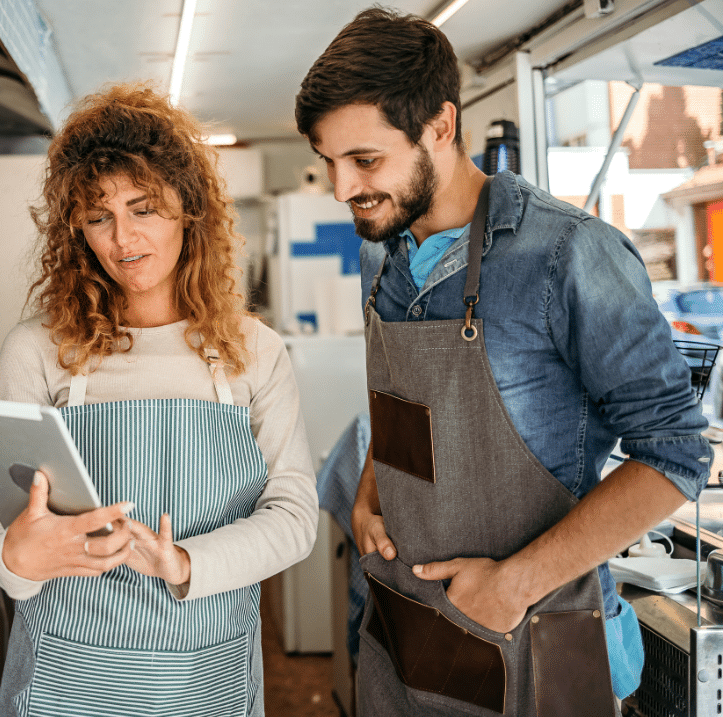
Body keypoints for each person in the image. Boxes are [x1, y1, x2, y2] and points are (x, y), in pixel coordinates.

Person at [296, 7, 711, 716]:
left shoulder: (568, 256)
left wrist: (514, 584)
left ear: (441, 126)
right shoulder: (381, 254)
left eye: (365, 160)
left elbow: (674, 453)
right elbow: (403, 404)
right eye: (328, 162)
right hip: (409, 630)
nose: (342, 189)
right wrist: (369, 490)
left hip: (540, 636)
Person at [0, 83, 319, 717]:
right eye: (99, 216)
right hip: (67, 677)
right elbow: (5, 544)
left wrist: (186, 561)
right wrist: (20, 558)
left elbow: (296, 517)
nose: (123, 238)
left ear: (190, 211)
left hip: (205, 676)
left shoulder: (253, 351)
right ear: (77, 228)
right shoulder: (37, 350)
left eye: (144, 208)